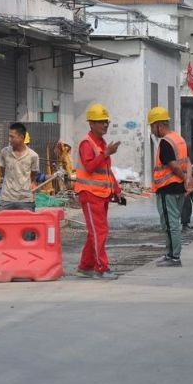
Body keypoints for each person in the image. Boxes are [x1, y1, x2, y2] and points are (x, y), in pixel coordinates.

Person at [74, 103, 125, 280]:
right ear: (91, 124)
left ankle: (85, 266)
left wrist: (117, 190)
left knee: (95, 231)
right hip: (89, 193)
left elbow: (105, 170)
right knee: (99, 231)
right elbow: (89, 167)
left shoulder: (101, 143)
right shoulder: (86, 144)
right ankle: (101, 268)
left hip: (101, 194)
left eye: (106, 122)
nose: (105, 125)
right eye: (101, 122)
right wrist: (106, 153)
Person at [149, 107, 190, 267]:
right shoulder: (178, 139)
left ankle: (174, 257)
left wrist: (184, 177)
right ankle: (170, 254)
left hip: (168, 188)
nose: (152, 131)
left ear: (159, 125)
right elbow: (186, 161)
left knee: (170, 223)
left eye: (152, 127)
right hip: (178, 188)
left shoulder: (166, 142)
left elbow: (173, 165)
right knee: (172, 222)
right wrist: (186, 180)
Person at [0, 122, 39, 211]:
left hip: (26, 199)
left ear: (21, 137)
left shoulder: (33, 156)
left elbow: (33, 174)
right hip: (7, 198)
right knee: (3, 223)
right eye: (9, 136)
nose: (9, 139)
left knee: (26, 224)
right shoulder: (4, 152)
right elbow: (2, 171)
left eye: (12, 137)